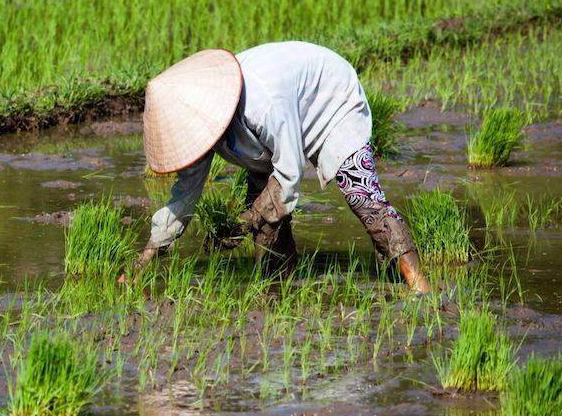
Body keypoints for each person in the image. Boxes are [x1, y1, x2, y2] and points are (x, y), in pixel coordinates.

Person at [126, 43, 430, 293]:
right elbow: (185, 192)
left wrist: (243, 223)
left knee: (361, 193)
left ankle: (420, 287)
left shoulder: (263, 103)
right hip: (270, 134)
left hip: (331, 101)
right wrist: (145, 258)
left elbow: (288, 174)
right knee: (264, 215)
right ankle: (277, 289)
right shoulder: (202, 123)